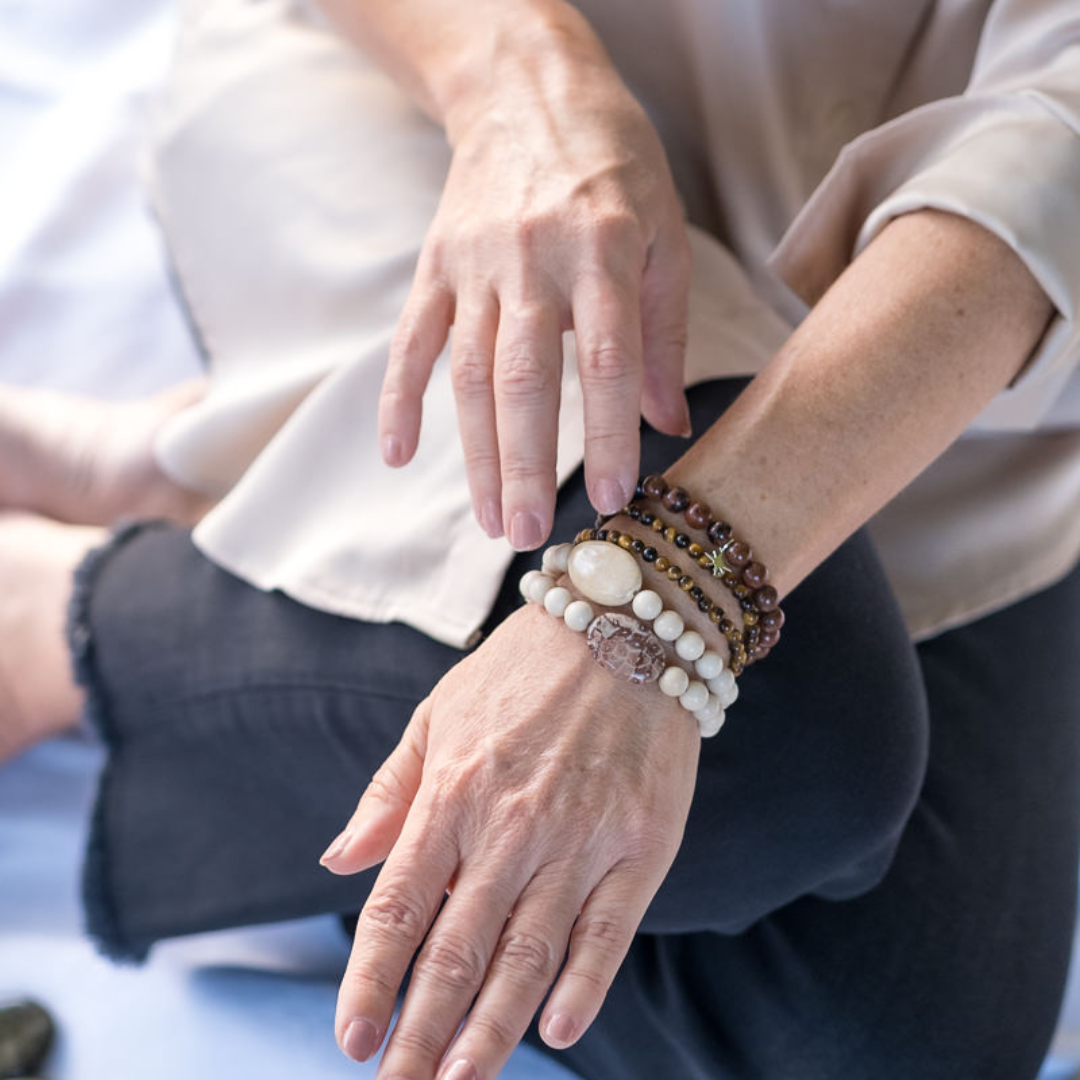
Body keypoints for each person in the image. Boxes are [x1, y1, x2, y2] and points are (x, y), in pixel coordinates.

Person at [2, 0, 1079, 1078]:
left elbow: (1052, 153)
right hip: (449, 99)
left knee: (891, 1038)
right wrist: (527, 84)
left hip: (960, 350)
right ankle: (68, 621)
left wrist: (661, 593)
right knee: (785, 743)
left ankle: (212, 491)